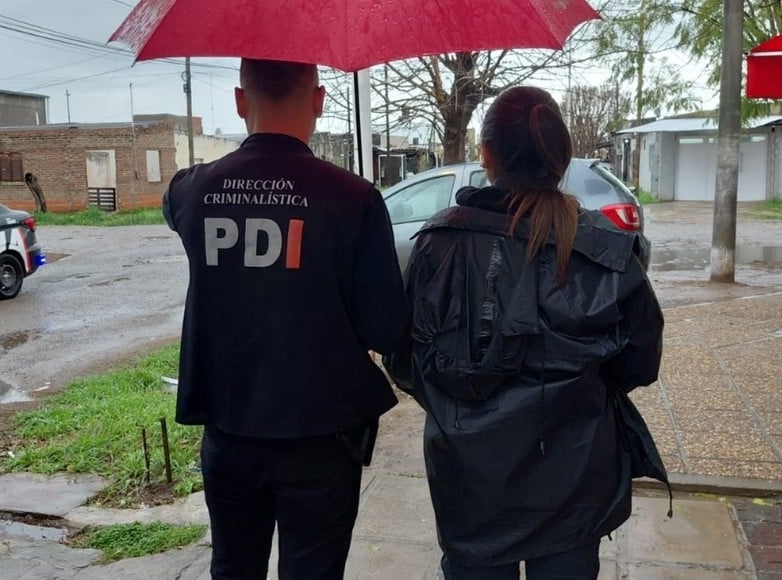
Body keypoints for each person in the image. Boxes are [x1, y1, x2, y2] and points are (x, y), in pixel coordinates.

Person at [388, 86, 665, 579]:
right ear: (560, 156)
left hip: (471, 479)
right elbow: (640, 361)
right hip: (573, 477)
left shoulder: (437, 245)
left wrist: (462, 408)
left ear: (486, 154)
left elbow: (406, 361)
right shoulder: (605, 248)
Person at [162, 58, 409, 579]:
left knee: (233, 567)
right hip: (321, 435)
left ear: (239, 101)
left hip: (227, 429)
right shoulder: (354, 198)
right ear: (318, 101)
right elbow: (385, 328)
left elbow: (177, 209)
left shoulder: (191, 190)